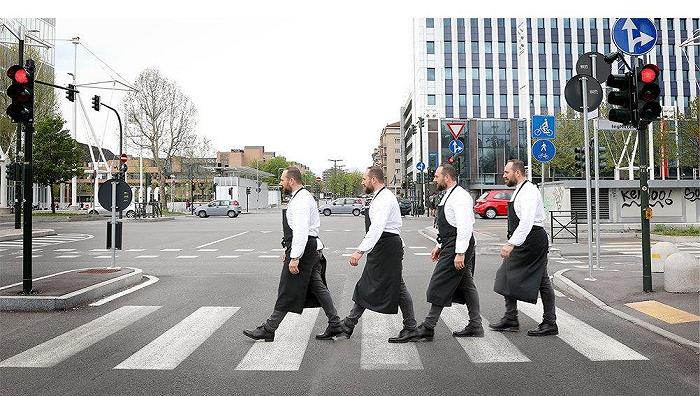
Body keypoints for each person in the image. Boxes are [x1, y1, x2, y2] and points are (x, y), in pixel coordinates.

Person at [243, 167, 343, 342]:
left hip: (304, 248)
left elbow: (301, 231)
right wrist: (288, 251)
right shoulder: (300, 197)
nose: (281, 183)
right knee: (317, 287)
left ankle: (269, 328)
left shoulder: (301, 200)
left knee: (287, 288)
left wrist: (295, 257)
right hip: (307, 248)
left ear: (291, 181)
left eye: (282, 180)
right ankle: (335, 324)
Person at [338, 166, 418, 343]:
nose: (362, 181)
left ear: (373, 179)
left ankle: (349, 324)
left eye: (364, 178)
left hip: (386, 247)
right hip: (384, 247)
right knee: (383, 285)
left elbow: (376, 228)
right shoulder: (380, 196)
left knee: (372, 285)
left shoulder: (384, 199)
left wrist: (360, 251)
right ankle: (410, 327)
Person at [412, 164, 483, 341]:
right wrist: (439, 244)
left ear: (447, 178)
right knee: (466, 284)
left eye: (437, 176)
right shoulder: (449, 195)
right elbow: (446, 226)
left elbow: (465, 227)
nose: (434, 179)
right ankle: (476, 325)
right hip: (451, 244)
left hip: (458, 246)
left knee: (439, 283)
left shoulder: (460, 197)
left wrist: (460, 253)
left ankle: (428, 326)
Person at [491, 159, 558, 336]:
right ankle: (511, 318)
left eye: (506, 172)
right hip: (525, 240)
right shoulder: (519, 190)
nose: (503, 175)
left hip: (532, 241)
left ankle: (550, 322)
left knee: (542, 281)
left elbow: (526, 222)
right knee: (505, 276)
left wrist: (511, 243)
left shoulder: (528, 191)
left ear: (517, 173)